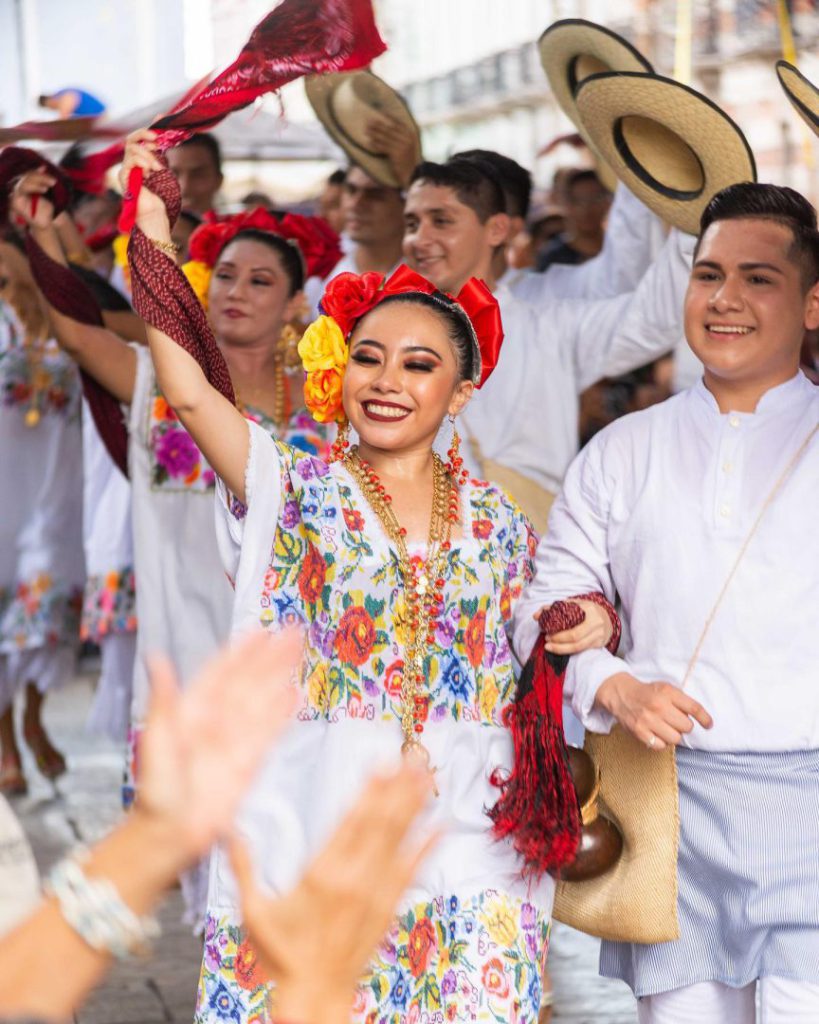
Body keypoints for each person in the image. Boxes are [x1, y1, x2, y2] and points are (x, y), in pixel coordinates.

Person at [118, 128, 614, 1023]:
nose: (386, 381)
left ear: (460, 393)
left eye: (419, 365)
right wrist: (151, 227)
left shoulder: (501, 524)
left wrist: (582, 623)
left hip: (467, 820)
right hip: (315, 817)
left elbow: (544, 631)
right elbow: (191, 393)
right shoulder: (289, 485)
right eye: (369, 357)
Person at [514, 182, 819, 1023]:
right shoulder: (621, 450)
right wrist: (612, 685)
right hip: (665, 805)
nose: (723, 299)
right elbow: (543, 607)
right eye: (706, 273)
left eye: (757, 278)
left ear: (812, 300)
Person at [8, 168, 334, 848]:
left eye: (260, 281)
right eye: (226, 275)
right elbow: (77, 335)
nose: (236, 291)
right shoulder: (156, 380)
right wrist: (42, 228)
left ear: (295, 303)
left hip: (295, 671)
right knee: (204, 871)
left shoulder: (328, 403)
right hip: (181, 662)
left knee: (289, 852)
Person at [402, 157, 691, 530]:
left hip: (529, 567)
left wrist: (692, 213)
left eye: (441, 221)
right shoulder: (385, 335)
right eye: (412, 224)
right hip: (412, 569)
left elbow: (656, 317)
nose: (420, 239)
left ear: (497, 229)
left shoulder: (549, 325)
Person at [0, 234, 83, 796]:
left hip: (57, 491)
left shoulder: (70, 323)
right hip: (6, 489)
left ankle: (32, 713)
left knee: (44, 617)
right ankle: (7, 739)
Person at [538, 169, 612, 271]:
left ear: (607, 203)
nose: (586, 209)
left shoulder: (619, 248)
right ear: (567, 205)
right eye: (578, 201)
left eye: (595, 199)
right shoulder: (554, 258)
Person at [166, 133, 224, 217]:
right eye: (172, 174)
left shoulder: (242, 229)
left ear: (218, 180)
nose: (184, 187)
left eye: (198, 175)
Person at [37, 88, 106, 119]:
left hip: (103, 118)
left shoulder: (66, 96)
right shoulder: (63, 94)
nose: (52, 109)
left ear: (50, 100)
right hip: (95, 119)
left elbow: (63, 120)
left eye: (50, 106)